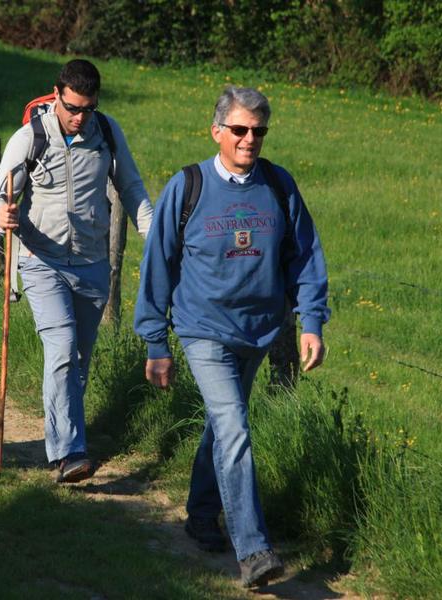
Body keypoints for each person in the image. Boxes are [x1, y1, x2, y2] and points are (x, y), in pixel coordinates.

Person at [133, 86, 329, 588]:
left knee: (224, 428)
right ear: (217, 130)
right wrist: (157, 343)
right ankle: (255, 550)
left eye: (258, 131)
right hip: (203, 330)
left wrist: (310, 323)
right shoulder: (189, 186)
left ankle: (201, 516)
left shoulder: (279, 186)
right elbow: (159, 265)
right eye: (240, 129)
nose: (249, 139)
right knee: (236, 429)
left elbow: (305, 256)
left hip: (259, 331)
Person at [0, 59, 153, 483]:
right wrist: (1, 215)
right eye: (73, 107)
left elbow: (131, 188)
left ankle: (64, 439)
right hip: (41, 261)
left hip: (94, 265)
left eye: (88, 109)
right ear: (56, 94)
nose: (79, 118)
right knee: (61, 351)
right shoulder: (32, 137)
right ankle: (69, 453)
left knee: (78, 359)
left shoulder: (108, 133)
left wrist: (157, 235)